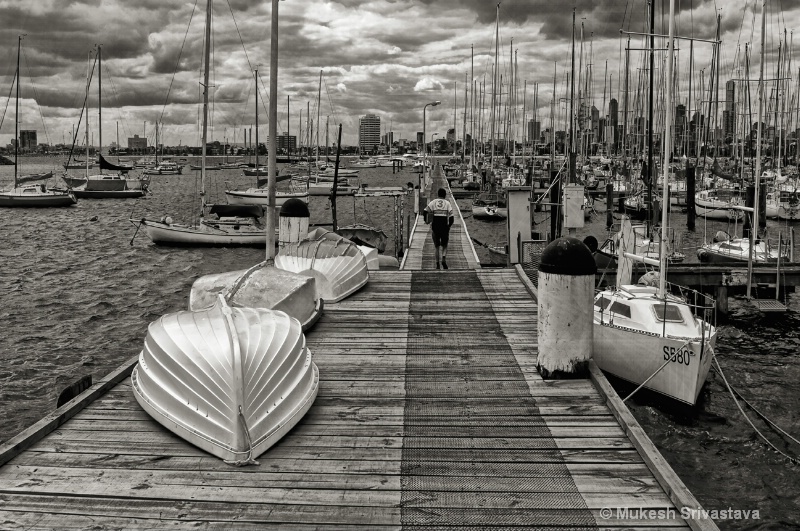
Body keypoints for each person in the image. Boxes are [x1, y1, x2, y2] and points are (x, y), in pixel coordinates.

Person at [424, 187, 454, 269]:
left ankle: (437, 264)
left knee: (436, 246)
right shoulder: (447, 203)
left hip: (435, 227)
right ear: (445, 195)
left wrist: (426, 220)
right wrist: (449, 226)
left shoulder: (433, 202)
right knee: (445, 245)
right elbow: (451, 217)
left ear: (438, 194)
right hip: (444, 227)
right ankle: (444, 257)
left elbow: (425, 211)